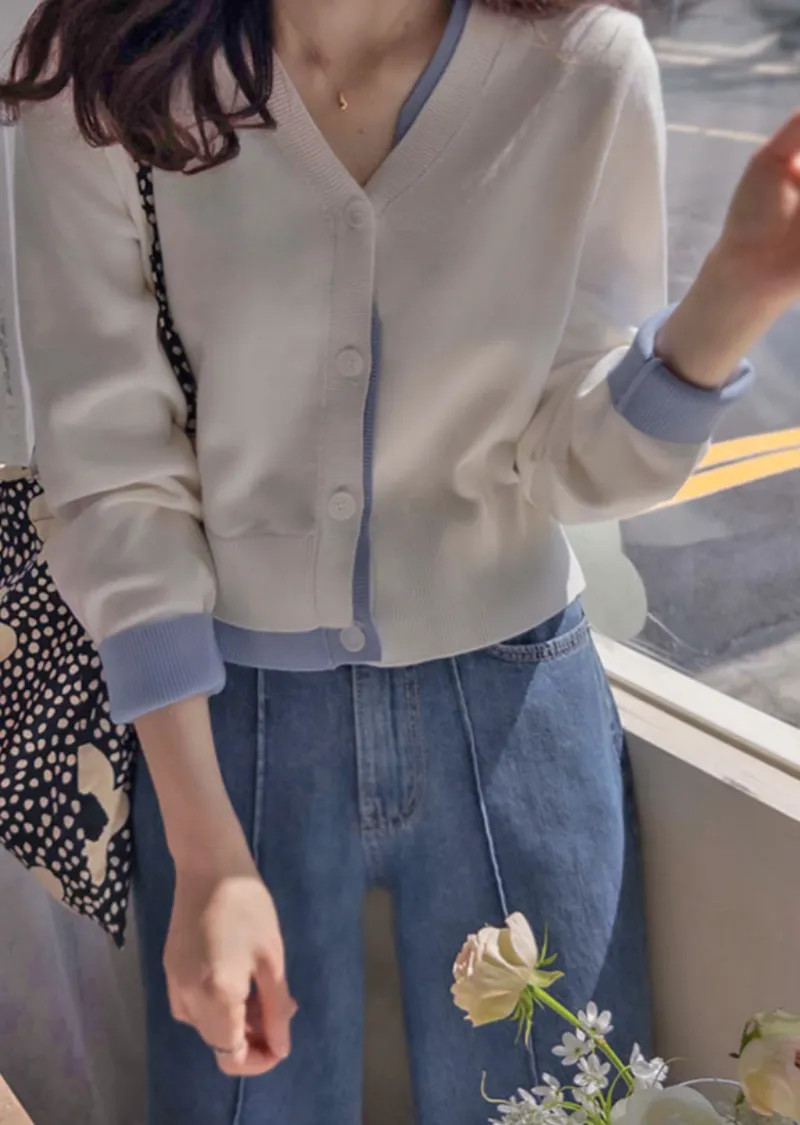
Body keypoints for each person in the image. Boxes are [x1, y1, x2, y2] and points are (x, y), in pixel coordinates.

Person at [1, 0, 798, 1121]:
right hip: (230, 727)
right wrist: (205, 843)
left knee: (565, 1107)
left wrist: (737, 295)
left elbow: (573, 461)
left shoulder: (582, 61)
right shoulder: (108, 65)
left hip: (519, 712)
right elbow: (111, 465)